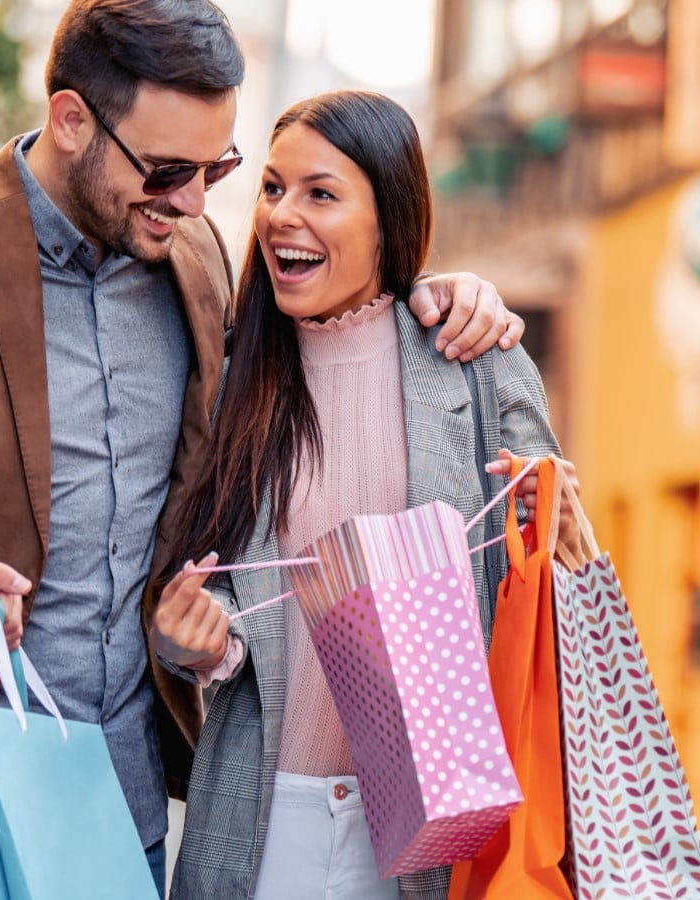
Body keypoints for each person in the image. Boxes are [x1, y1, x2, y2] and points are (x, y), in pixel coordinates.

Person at [0, 2, 524, 897]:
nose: (191, 201)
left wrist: (443, 295)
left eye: (215, 168)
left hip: (120, 798)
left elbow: (335, 343)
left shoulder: (196, 263)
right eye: (168, 169)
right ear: (71, 120)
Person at [149, 90, 584, 900]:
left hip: (437, 832)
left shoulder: (477, 362)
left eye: (321, 193)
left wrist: (549, 512)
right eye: (273, 188)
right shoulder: (227, 378)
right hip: (263, 816)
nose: (283, 216)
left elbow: (560, 552)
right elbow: (212, 609)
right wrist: (196, 646)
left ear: (389, 217)